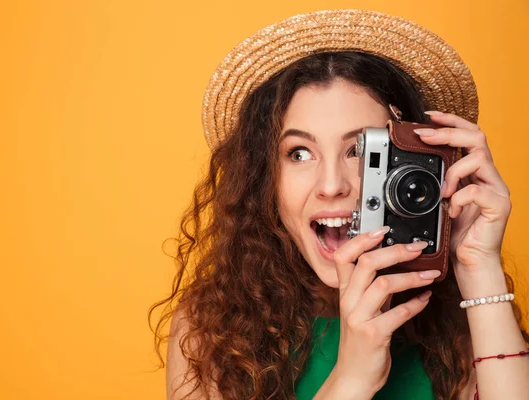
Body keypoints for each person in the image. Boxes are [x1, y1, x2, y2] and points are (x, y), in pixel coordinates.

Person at [149, 9, 529, 400]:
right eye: (298, 153)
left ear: (417, 166)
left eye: (361, 152)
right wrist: (351, 378)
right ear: (265, 179)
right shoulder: (208, 330)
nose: (331, 186)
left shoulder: (460, 319)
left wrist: (479, 269)